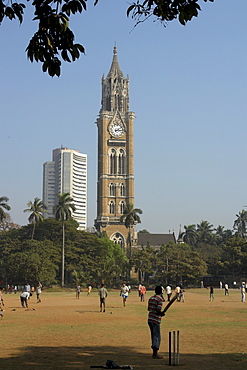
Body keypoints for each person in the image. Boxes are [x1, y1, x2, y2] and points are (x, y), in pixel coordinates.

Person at [148, 285, 165, 359]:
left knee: (153, 335)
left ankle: (154, 352)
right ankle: (155, 353)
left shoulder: (151, 298)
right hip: (155, 319)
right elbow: (158, 310)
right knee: (157, 336)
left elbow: (149, 308)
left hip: (150, 319)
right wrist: (161, 313)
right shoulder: (159, 299)